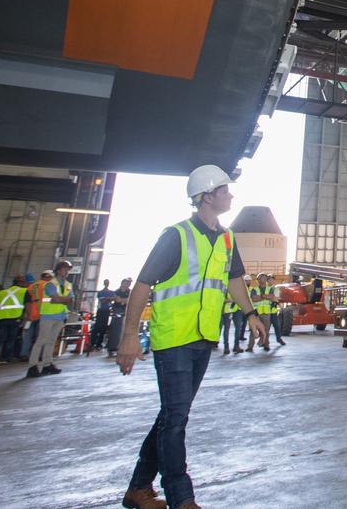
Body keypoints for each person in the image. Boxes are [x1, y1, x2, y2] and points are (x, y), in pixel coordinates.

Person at [117, 165, 266, 509]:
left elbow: (233, 281)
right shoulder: (176, 236)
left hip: (203, 338)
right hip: (172, 340)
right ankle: (181, 497)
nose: (231, 195)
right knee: (176, 418)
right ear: (207, 196)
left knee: (172, 414)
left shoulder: (227, 238)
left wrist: (251, 314)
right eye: (225, 190)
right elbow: (142, 285)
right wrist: (129, 337)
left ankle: (138, 488)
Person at [27, 259, 73, 377]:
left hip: (60, 316)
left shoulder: (68, 285)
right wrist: (62, 299)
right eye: (64, 269)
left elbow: (70, 300)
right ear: (58, 271)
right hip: (48, 316)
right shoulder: (50, 284)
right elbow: (56, 298)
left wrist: (59, 300)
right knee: (41, 340)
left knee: (51, 341)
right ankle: (32, 366)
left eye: (68, 270)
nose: (67, 272)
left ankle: (47, 364)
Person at [0, 275, 26, 365]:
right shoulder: (24, 291)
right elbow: (27, 305)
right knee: (10, 340)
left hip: (1, 318)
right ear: (21, 283)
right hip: (14, 318)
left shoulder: (2, 292)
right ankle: (4, 358)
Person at [107, 278, 132, 357]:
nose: (127, 284)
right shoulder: (116, 291)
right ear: (122, 283)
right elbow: (116, 300)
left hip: (127, 314)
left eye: (129, 283)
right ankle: (113, 349)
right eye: (126, 282)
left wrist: (122, 300)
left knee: (126, 332)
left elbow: (130, 300)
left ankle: (124, 348)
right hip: (117, 314)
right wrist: (123, 300)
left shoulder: (130, 292)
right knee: (115, 331)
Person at [246, 275, 271, 353]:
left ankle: (266, 344)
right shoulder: (254, 289)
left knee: (266, 330)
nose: (263, 280)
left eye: (264, 278)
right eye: (261, 278)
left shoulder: (270, 289)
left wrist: (260, 297)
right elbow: (253, 299)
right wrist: (265, 296)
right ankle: (250, 346)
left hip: (266, 313)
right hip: (256, 313)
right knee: (254, 330)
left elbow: (273, 297)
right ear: (257, 280)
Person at [92, 278, 117, 350]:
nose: (107, 284)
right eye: (106, 282)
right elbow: (102, 300)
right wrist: (109, 299)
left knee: (103, 328)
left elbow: (114, 298)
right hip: (100, 310)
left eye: (107, 282)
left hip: (107, 311)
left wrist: (107, 299)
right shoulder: (100, 292)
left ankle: (99, 344)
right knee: (97, 327)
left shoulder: (111, 292)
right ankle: (93, 343)